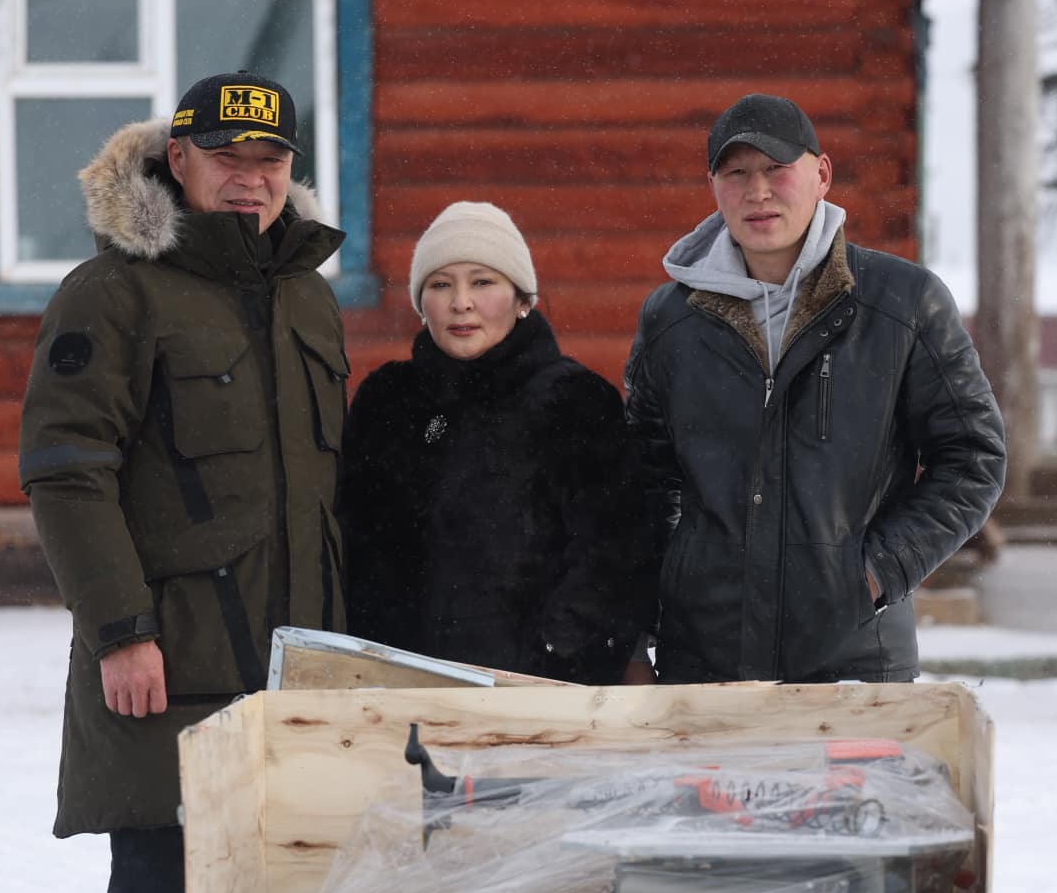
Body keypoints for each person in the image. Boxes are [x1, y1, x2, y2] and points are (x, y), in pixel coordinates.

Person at [19, 70, 347, 893]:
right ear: (178, 164)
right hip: (165, 673)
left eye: (269, 157)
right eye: (224, 155)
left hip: (291, 681)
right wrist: (119, 630)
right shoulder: (115, 292)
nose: (248, 175)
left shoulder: (308, 298)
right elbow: (66, 468)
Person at [624, 93, 1005, 683]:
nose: (758, 192)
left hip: (854, 659)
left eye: (777, 169)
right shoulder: (670, 320)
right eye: (736, 174)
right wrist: (643, 621)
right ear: (713, 186)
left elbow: (973, 458)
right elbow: (645, 482)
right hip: (703, 662)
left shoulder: (902, 304)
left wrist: (875, 572)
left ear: (821, 174)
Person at [341, 201, 652, 682]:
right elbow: (355, 547)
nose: (460, 302)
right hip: (399, 693)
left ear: (523, 299)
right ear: (421, 304)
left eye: (482, 282)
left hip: (536, 697)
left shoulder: (575, 401)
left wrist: (549, 659)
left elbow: (613, 558)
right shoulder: (387, 402)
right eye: (441, 284)